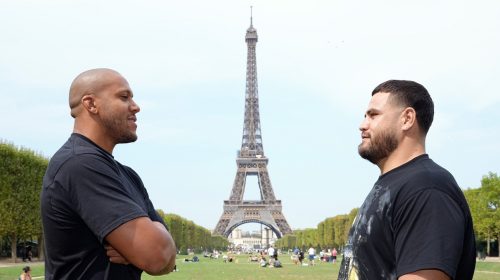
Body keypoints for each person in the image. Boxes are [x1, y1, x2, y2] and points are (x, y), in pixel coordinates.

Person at [41, 68, 177, 279]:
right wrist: (154, 239)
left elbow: (168, 262)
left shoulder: (127, 174)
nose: (136, 107)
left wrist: (153, 246)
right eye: (124, 97)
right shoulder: (79, 164)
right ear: (91, 104)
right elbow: (157, 256)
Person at [337, 80, 476, 279]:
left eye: (373, 115)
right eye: (365, 116)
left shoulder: (426, 189)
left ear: (407, 119)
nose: (362, 125)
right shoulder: (396, 185)